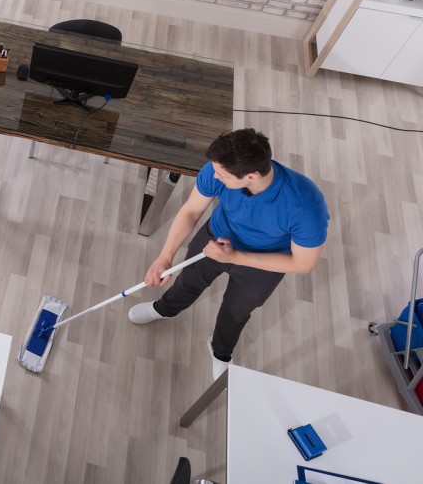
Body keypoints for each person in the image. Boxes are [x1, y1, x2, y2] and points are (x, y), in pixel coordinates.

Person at [129, 128, 329, 379]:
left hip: (263, 264)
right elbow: (191, 211)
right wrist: (165, 257)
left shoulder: (305, 207)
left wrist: (235, 257)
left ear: (252, 176)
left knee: (237, 311)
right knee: (188, 281)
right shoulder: (219, 169)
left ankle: (220, 350)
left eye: (222, 176)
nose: (214, 176)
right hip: (214, 239)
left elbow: (304, 264)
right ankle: (164, 309)